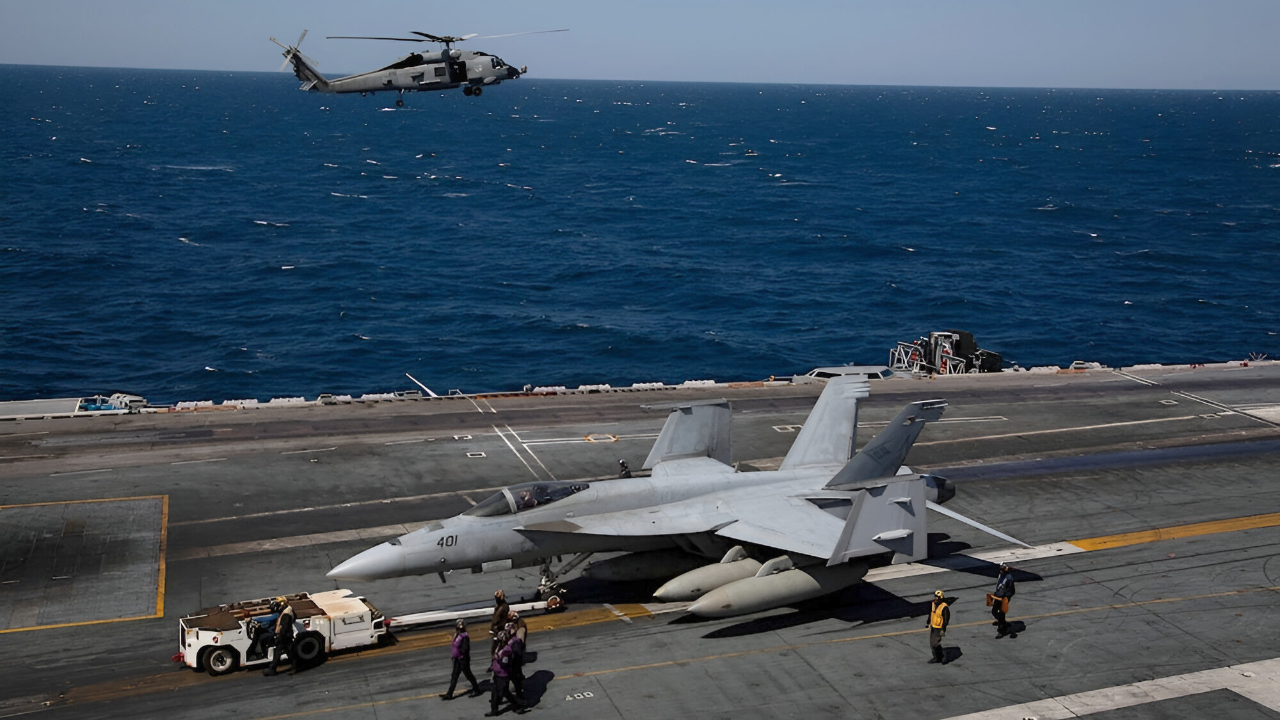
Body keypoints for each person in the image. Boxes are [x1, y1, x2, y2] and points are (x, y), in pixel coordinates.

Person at [442, 619, 481, 700]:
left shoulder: (464, 637)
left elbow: (464, 649)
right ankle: (449, 693)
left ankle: (477, 689)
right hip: (457, 659)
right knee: (454, 676)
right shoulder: (457, 635)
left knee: (468, 675)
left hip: (463, 659)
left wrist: (460, 655)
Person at [487, 637, 524, 716]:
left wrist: (497, 659)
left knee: (504, 692)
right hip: (496, 673)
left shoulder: (507, 651)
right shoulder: (498, 647)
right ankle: (494, 710)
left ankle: (518, 704)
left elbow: (504, 664)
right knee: (494, 692)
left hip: (503, 675)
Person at [263, 597, 296, 676]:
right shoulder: (287, 610)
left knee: (280, 652)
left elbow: (284, 627)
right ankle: (294, 667)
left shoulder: (286, 614)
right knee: (288, 652)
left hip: (285, 636)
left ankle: (272, 669)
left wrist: (280, 636)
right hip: (286, 635)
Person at [991, 563, 1016, 638]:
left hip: (1004, 598)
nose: (1000, 571)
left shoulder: (1009, 578)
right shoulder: (1000, 576)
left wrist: (1006, 597)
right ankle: (1003, 622)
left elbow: (1012, 590)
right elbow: (999, 586)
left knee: (1001, 613)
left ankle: (1002, 631)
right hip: (998, 596)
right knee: (994, 611)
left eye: (1001, 570)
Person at [927, 590, 950, 664]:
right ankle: (937, 657)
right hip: (933, 626)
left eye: (937, 597)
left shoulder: (944, 607)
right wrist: (929, 622)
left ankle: (941, 656)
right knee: (932, 643)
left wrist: (943, 629)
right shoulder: (934, 604)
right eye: (935, 597)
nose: (935, 598)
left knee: (935, 643)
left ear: (941, 598)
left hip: (939, 627)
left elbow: (946, 620)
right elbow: (931, 613)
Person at [490, 590, 510, 654]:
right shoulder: (500, 606)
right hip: (500, 628)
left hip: (499, 629)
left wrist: (493, 628)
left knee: (497, 646)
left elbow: (496, 619)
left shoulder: (502, 607)